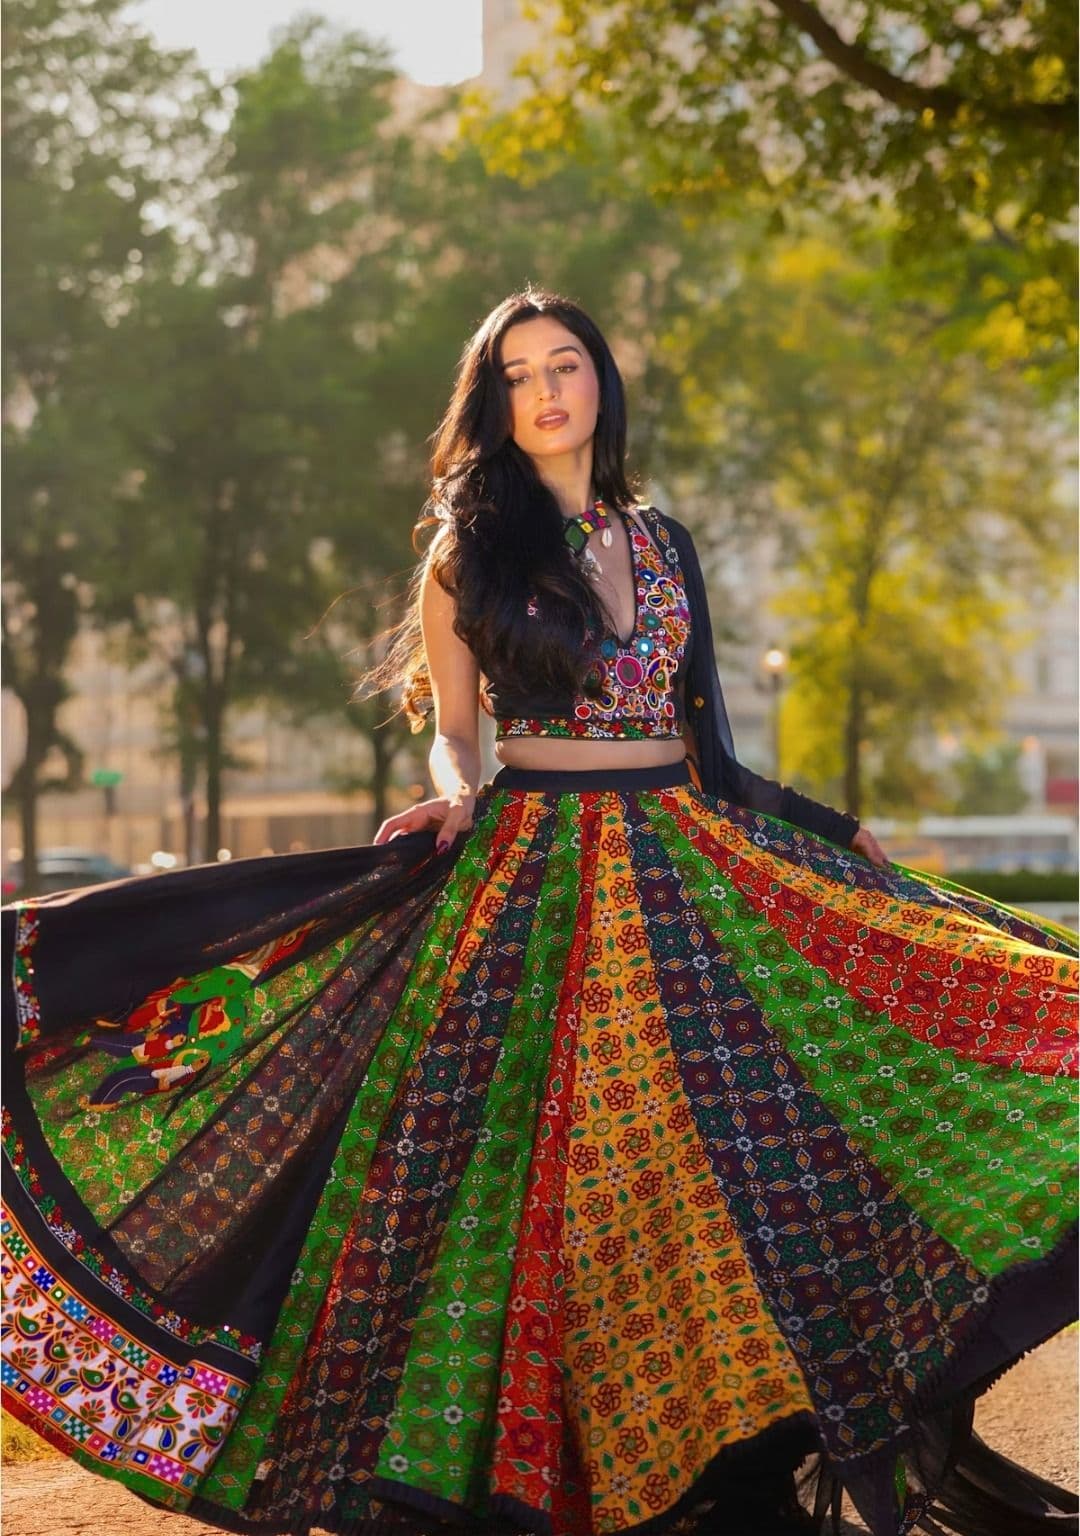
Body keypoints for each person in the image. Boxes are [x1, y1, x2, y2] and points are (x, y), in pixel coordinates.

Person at [1, 287, 1076, 1536]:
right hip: (536, 876)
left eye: (567, 365)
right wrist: (450, 800)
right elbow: (458, 738)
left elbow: (704, 751)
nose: (549, 389)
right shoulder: (471, 553)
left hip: (683, 872)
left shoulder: (666, 545)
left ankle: (738, 1450)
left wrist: (834, 835)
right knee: (551, 1179)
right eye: (519, 374)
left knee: (747, 1146)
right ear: (494, 403)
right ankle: (568, 1472)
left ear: (602, 385)